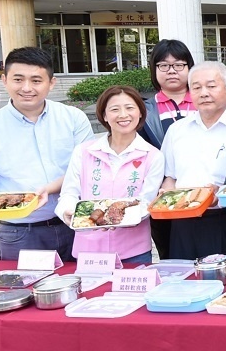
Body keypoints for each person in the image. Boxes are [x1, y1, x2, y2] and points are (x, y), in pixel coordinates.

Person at [0, 47, 94, 262]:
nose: (26, 88)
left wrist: (50, 189)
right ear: (4, 80)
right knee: (24, 292)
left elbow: (88, 168)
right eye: (18, 79)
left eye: (36, 80)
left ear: (51, 82)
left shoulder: (73, 119)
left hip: (74, 225)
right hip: (20, 232)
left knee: (82, 288)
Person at [55, 86, 163, 264]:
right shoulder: (84, 151)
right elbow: (69, 193)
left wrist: (114, 219)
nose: (123, 115)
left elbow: (147, 201)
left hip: (133, 251)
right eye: (114, 109)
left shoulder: (153, 156)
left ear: (141, 113)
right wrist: (68, 212)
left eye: (130, 108)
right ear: (104, 115)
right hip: (88, 250)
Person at [160, 61, 226, 263]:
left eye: (211, 86)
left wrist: (223, 194)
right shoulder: (177, 130)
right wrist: (166, 192)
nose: (204, 93)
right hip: (183, 222)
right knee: (184, 282)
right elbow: (170, 176)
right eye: (196, 87)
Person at [141, 39, 197, 260]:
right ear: (154, 70)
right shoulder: (143, 110)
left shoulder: (206, 102)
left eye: (179, 65)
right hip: (162, 197)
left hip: (204, 194)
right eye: (163, 65)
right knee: (171, 256)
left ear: (189, 68)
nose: (171, 71)